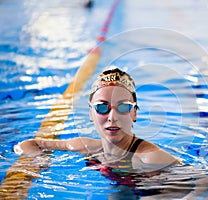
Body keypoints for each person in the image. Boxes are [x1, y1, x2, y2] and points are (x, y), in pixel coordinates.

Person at [14, 67, 181, 174]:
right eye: (102, 107)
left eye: (123, 107)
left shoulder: (149, 158)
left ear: (134, 114)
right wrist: (39, 158)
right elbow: (28, 144)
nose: (112, 117)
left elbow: (201, 183)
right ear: (91, 114)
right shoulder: (87, 147)